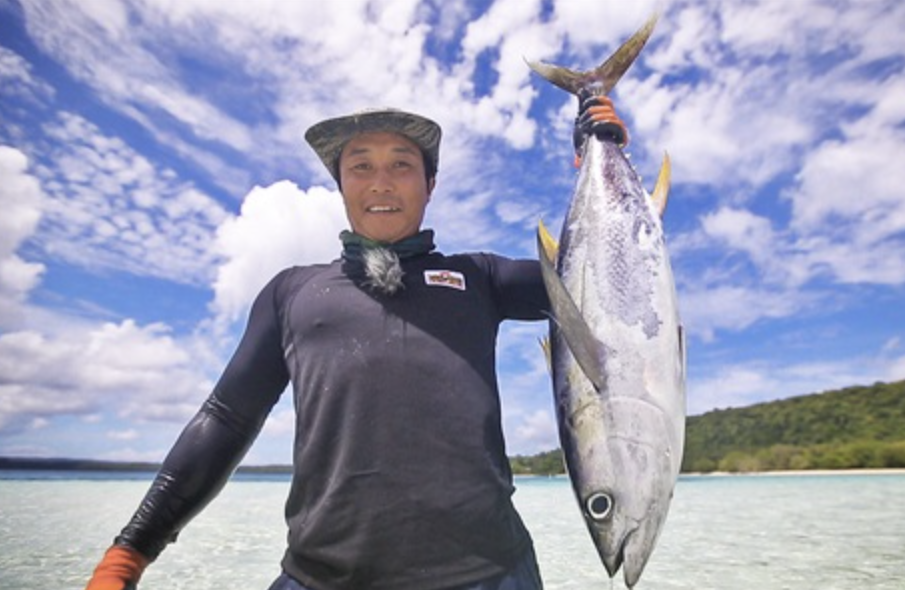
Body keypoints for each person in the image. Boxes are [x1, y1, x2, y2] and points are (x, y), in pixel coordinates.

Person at [84, 98, 627, 590]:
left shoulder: (480, 280)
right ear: (341, 184)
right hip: (319, 577)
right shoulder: (291, 293)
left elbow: (604, 280)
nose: (381, 182)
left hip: (490, 574)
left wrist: (603, 165)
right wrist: (130, 551)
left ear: (429, 184)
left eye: (401, 165)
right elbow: (225, 419)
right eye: (360, 165)